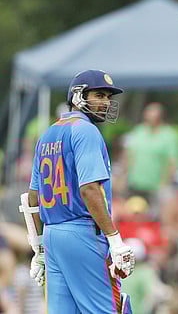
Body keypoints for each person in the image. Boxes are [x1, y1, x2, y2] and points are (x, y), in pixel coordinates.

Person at [22, 69, 135, 313]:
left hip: (53, 236)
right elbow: (89, 190)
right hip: (83, 234)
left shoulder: (47, 134)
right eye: (99, 95)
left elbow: (32, 197)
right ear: (78, 95)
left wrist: (39, 246)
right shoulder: (86, 131)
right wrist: (115, 240)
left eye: (108, 97)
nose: (106, 102)